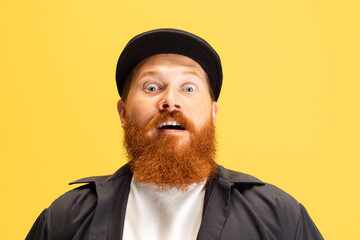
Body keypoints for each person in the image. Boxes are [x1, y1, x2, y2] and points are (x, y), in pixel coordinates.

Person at [26, 28, 323, 240]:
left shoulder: (278, 217)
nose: (170, 100)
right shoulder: (65, 220)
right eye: (152, 87)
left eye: (189, 88)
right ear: (123, 114)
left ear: (213, 114)